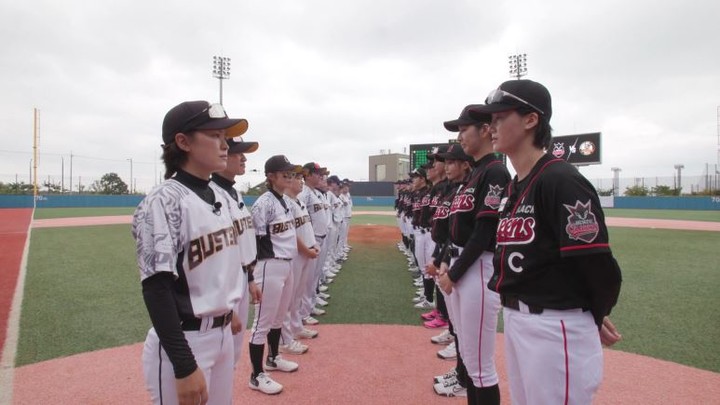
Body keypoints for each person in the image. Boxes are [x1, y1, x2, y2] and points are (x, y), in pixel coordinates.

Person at [471, 79, 623, 404]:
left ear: (531, 119)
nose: (491, 126)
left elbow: (597, 263)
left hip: (556, 327)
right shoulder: (516, 184)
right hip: (519, 319)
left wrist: (591, 313)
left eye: (500, 117)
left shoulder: (560, 179)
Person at [133, 100, 249, 405]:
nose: (225, 144)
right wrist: (184, 365)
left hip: (222, 334)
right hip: (187, 341)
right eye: (214, 135)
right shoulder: (164, 200)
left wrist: (227, 310)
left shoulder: (218, 195)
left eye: (224, 136)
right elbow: (156, 288)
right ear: (183, 142)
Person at [436, 103, 512, 405]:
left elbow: (484, 232)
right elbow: (455, 229)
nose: (459, 137)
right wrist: (446, 262)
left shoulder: (495, 171)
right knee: (469, 360)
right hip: (461, 265)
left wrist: (453, 274)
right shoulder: (474, 174)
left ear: (484, 130)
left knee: (480, 366)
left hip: (477, 269)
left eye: (464, 129)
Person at [247, 155, 304, 395]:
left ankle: (273, 357)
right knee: (262, 322)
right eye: (285, 173)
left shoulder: (285, 202)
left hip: (286, 264)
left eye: (291, 173)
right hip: (269, 265)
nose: (290, 177)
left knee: (279, 317)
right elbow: (255, 240)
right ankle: (256, 375)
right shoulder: (263, 204)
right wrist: (251, 276)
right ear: (271, 176)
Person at [209, 135, 262, 366]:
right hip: (224, 284)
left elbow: (241, 243)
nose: (243, 158)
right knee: (221, 354)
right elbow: (216, 255)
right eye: (237, 153)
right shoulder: (211, 194)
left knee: (234, 353)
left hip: (240, 276)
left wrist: (249, 279)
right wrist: (227, 308)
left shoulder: (234, 192)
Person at [279, 169, 320, 354]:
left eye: (301, 178)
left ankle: (296, 328)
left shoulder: (300, 202)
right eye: (297, 178)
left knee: (297, 295)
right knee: (288, 299)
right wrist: (307, 249)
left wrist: (313, 245)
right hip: (295, 254)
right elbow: (292, 234)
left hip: (306, 253)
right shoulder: (286, 203)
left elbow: (306, 228)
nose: (301, 181)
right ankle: (285, 339)